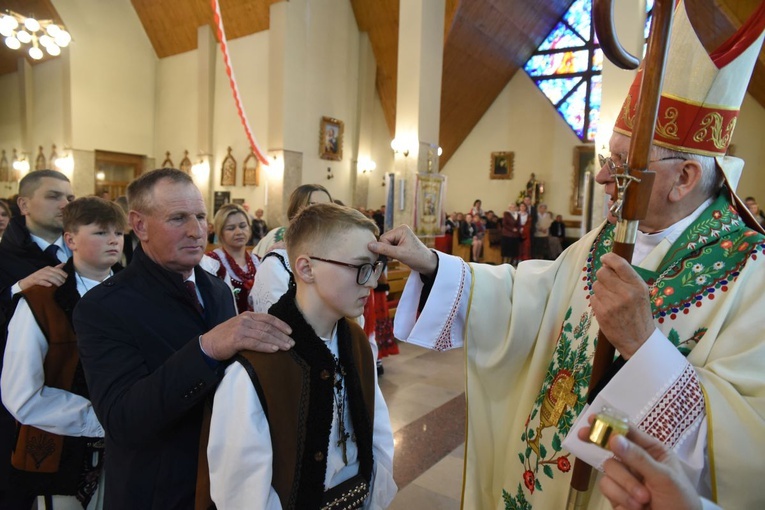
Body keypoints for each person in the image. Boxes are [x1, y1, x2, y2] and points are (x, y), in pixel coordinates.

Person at [368, 3, 765, 508]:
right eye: (607, 160)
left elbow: (749, 446)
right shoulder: (609, 236)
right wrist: (435, 265)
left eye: (620, 165)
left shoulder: (753, 275)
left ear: (684, 179)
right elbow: (526, 297)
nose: (601, 179)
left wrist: (645, 346)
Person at [73, 168, 294, 509]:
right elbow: (122, 420)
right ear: (140, 225)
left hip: (222, 481)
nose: (196, 231)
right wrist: (205, 349)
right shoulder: (103, 307)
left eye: (201, 217)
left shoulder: (218, 290)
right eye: (178, 218)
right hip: (157, 490)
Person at [207, 203, 397, 508]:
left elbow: (379, 436)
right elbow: (241, 493)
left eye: (375, 267)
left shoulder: (356, 342)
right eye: (360, 267)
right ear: (306, 268)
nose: (372, 282)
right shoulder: (256, 367)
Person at [2, 196, 126, 510]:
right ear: (70, 239)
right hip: (59, 449)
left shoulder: (134, 294)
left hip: (126, 449)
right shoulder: (42, 300)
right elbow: (21, 394)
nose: (113, 240)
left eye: (118, 233)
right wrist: (99, 418)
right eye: (100, 232)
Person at [0, 169, 74, 509]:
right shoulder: (5, 257)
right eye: (54, 196)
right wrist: (18, 290)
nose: (65, 204)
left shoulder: (84, 249)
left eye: (70, 198)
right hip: (14, 393)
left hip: (72, 389)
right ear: (24, 204)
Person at [250, 184, 333, 313]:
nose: (323, 213)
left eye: (329, 207)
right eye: (313, 206)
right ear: (296, 212)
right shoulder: (277, 263)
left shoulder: (336, 256)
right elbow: (274, 318)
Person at [203, 203, 260, 314]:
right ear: (220, 232)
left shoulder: (258, 261)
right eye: (231, 228)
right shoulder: (211, 263)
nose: (239, 232)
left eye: (243, 226)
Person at [253, 183, 332, 259]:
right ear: (296, 208)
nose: (322, 211)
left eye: (327, 205)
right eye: (312, 205)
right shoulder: (278, 236)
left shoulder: (335, 240)